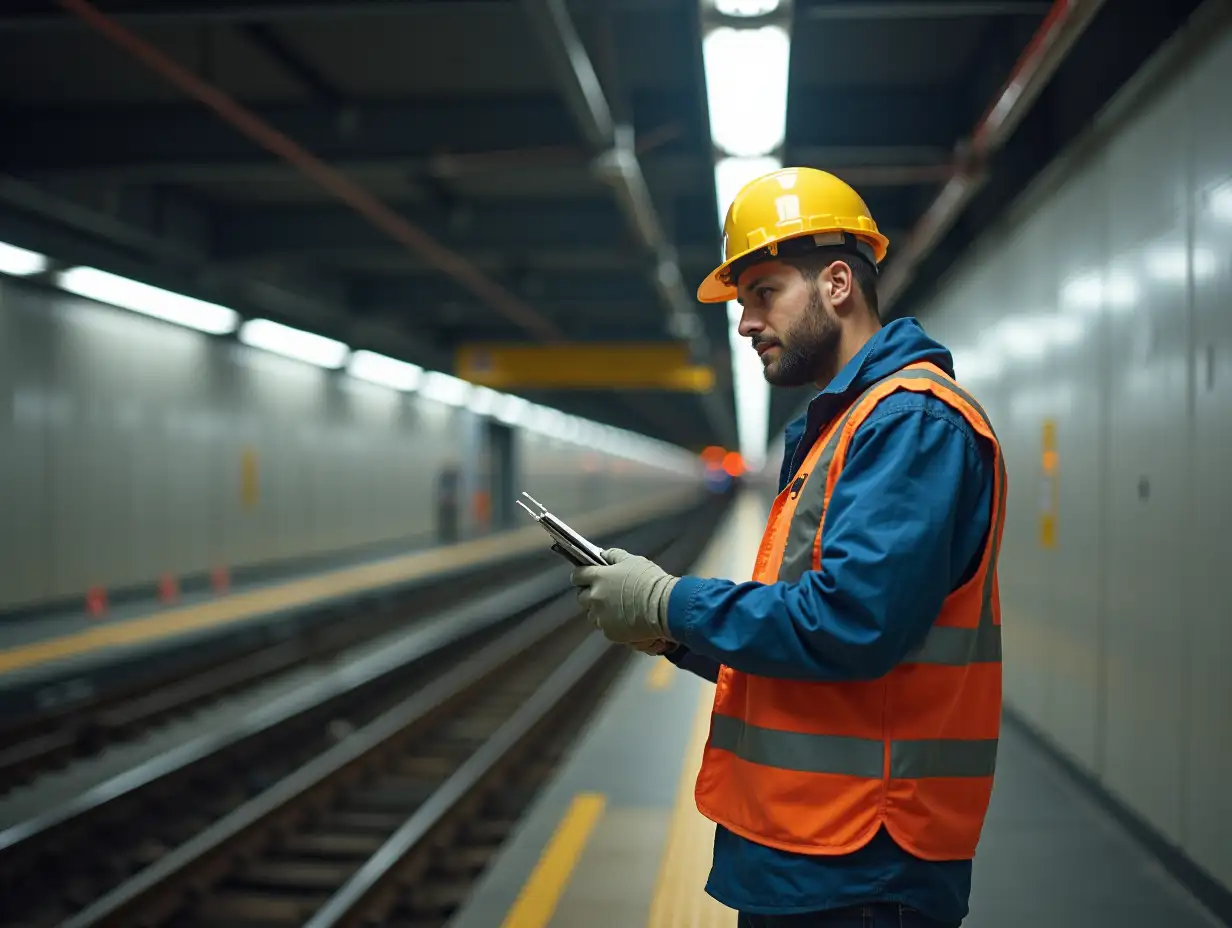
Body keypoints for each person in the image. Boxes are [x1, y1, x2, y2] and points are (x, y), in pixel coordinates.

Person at [569, 166, 1006, 928]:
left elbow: (851, 625)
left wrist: (673, 601)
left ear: (838, 283)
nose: (745, 322)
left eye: (764, 292)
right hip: (810, 851)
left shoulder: (909, 422)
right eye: (743, 304)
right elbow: (802, 640)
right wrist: (671, 633)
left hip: (864, 860)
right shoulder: (839, 429)